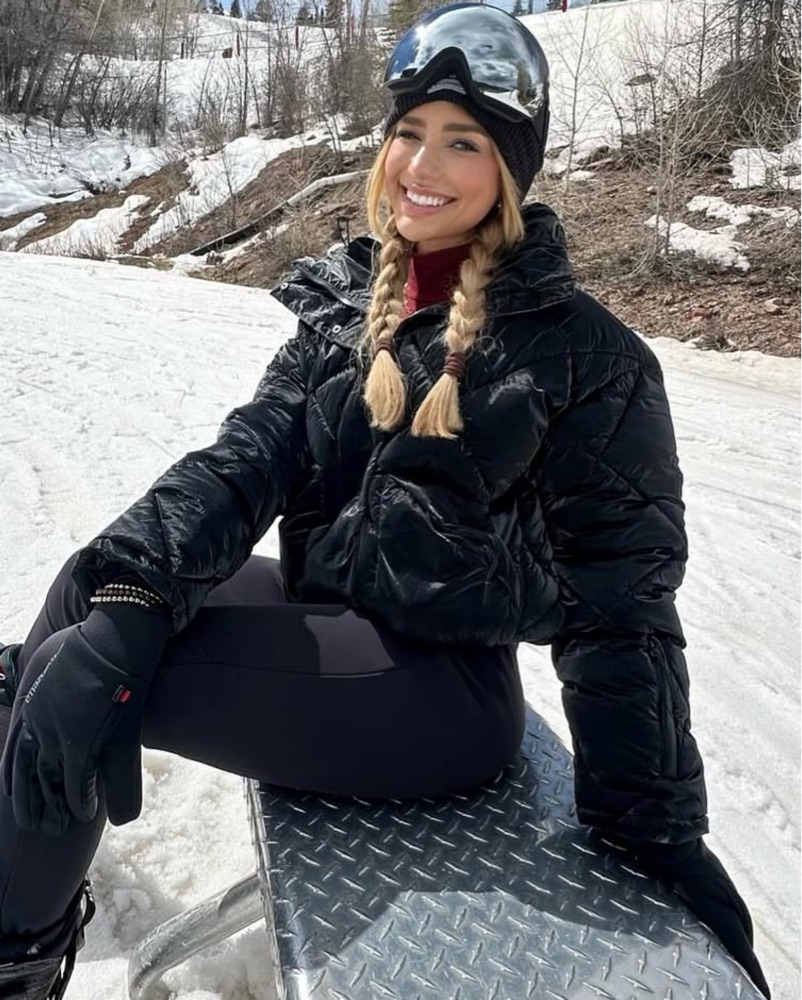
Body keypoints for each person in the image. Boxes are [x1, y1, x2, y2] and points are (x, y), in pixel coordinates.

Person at [0, 4, 770, 998]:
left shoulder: (584, 355)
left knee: (79, 673)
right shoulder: (351, 303)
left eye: (464, 142)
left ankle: (15, 951)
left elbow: (622, 608)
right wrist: (138, 594)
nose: (423, 164)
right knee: (95, 593)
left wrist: (658, 832)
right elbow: (242, 462)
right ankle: (24, 855)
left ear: (511, 170)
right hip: (333, 618)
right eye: (409, 131)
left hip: (435, 698)